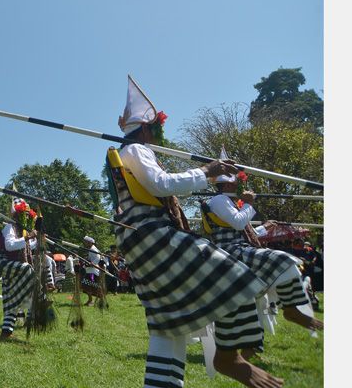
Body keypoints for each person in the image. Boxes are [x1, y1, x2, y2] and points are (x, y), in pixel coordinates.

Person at [107, 76, 282, 388]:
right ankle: (228, 357)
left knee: (166, 325)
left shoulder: (126, 154)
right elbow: (162, 184)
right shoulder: (137, 149)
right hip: (153, 236)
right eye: (156, 131)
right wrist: (206, 172)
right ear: (147, 129)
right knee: (236, 277)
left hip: (139, 241)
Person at [201, 154, 323, 355]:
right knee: (284, 260)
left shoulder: (228, 202)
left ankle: (251, 349)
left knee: (256, 298)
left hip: (240, 249)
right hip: (231, 253)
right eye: (237, 186)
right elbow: (240, 222)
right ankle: (291, 310)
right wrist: (249, 204)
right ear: (230, 185)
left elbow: (244, 230)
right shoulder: (220, 200)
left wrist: (264, 228)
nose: (239, 189)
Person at [0, 197, 55, 339]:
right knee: (27, 268)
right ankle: (41, 299)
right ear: (17, 215)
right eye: (24, 215)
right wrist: (28, 238)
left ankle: (6, 333)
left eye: (28, 215)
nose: (26, 217)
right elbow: (10, 246)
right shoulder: (10, 227)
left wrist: (38, 240)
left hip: (15, 268)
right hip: (5, 263)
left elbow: (27, 246)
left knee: (12, 299)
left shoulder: (22, 231)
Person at [78, 236, 106, 308]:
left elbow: (97, 257)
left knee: (91, 285)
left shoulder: (94, 249)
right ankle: (91, 300)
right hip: (89, 271)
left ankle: (96, 300)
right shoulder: (90, 249)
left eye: (86, 242)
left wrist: (93, 263)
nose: (85, 243)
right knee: (86, 285)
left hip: (93, 272)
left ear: (90, 242)